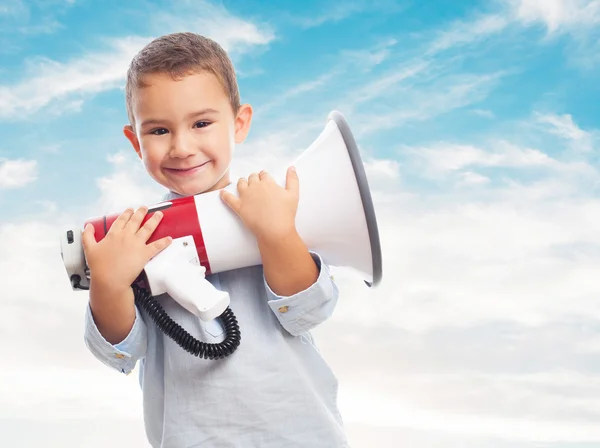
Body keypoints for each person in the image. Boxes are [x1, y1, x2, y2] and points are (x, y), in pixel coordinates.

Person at [80, 32, 348, 447]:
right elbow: (119, 351)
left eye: (202, 123)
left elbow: (308, 310)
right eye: (158, 131)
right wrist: (110, 283)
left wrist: (277, 235)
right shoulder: (136, 239)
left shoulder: (269, 209)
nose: (182, 148)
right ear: (135, 141)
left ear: (238, 124)